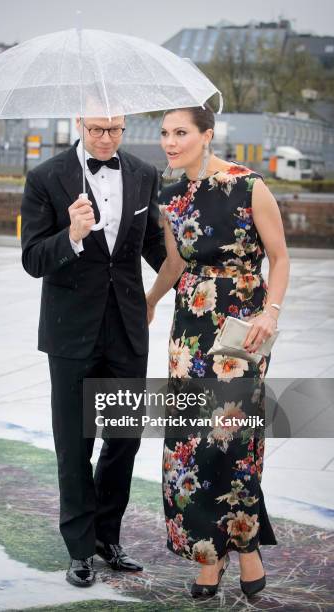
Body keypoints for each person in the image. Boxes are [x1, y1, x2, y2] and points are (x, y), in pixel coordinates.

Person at [146, 105, 290, 599]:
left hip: (241, 331)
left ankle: (245, 547)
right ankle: (209, 557)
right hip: (189, 331)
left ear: (207, 135)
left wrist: (270, 311)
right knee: (187, 444)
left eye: (181, 132)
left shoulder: (249, 186)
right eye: (164, 133)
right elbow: (173, 261)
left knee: (231, 439)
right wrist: (149, 302)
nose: (170, 141)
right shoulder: (168, 191)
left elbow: (280, 256)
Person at [21, 116, 166, 587]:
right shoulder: (46, 177)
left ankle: (108, 536)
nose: (107, 138)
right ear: (80, 124)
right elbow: (32, 258)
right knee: (74, 444)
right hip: (70, 333)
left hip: (126, 327)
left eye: (116, 129)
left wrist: (198, 275)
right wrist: (73, 235)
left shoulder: (145, 174)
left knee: (123, 439)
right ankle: (80, 548)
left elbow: (152, 247)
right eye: (99, 129)